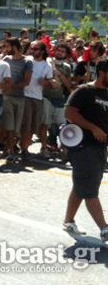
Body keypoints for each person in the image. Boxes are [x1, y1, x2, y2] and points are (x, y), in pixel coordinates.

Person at [62, 59, 108, 243]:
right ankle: (104, 229)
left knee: (82, 184)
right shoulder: (84, 91)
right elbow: (69, 113)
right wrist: (93, 128)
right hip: (83, 146)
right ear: (103, 72)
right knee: (89, 188)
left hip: (100, 148)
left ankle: (68, 221)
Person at [19, 41, 56, 160]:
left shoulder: (47, 66)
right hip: (24, 96)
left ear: (42, 51)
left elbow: (51, 83)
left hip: (38, 98)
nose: (33, 51)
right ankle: (23, 149)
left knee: (33, 126)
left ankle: (25, 148)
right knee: (25, 125)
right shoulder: (27, 60)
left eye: (36, 49)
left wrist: (45, 83)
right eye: (32, 48)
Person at [1, 37, 33, 162]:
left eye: (7, 46)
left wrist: (11, 86)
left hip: (19, 98)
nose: (5, 49)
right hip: (7, 97)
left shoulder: (27, 61)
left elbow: (27, 81)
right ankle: (11, 152)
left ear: (14, 47)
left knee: (16, 128)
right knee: (9, 126)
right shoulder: (5, 59)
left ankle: (9, 148)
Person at [41, 43, 73, 157]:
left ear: (66, 54)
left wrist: (59, 74)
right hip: (46, 96)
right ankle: (44, 148)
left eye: (62, 51)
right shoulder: (47, 62)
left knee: (62, 125)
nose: (59, 52)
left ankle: (65, 147)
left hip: (59, 98)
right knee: (45, 124)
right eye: (58, 50)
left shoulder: (67, 67)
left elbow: (68, 85)